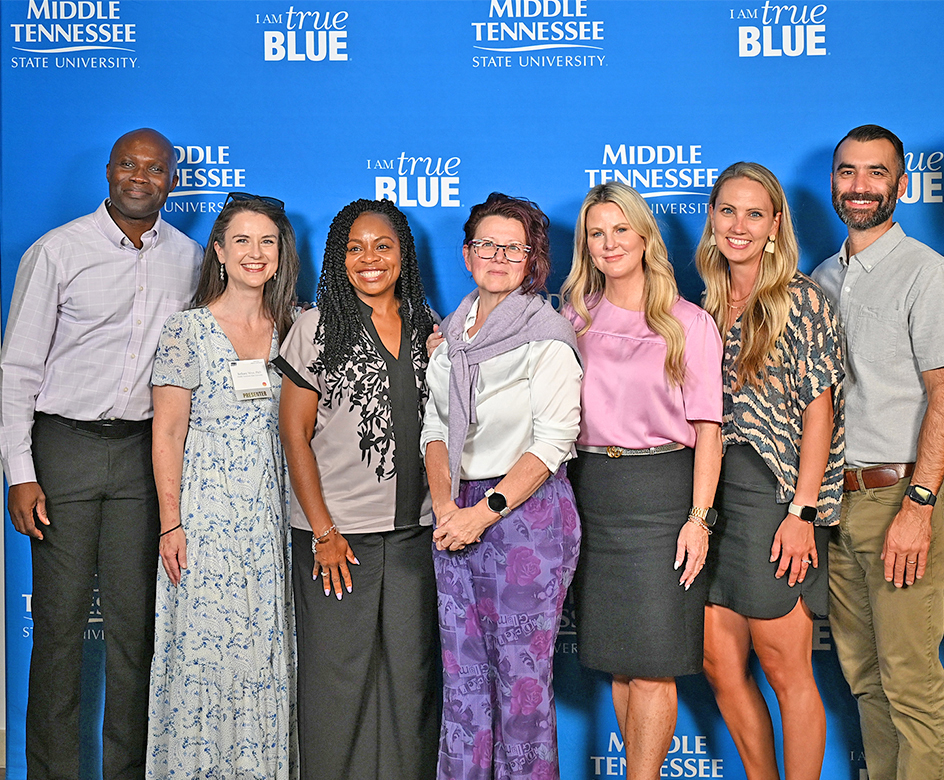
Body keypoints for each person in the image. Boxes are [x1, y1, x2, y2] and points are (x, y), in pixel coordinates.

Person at [0, 128, 202, 780]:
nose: (140, 177)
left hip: (142, 455)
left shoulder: (192, 259)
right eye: (127, 165)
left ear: (172, 179)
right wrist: (20, 473)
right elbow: (17, 370)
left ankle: (128, 772)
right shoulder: (58, 252)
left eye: (155, 168)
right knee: (57, 629)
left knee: (134, 632)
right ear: (110, 172)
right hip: (65, 447)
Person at [810, 125, 944, 780]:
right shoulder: (822, 277)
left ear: (901, 185)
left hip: (903, 497)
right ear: (833, 183)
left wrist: (921, 503)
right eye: (848, 172)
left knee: (909, 681)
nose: (859, 186)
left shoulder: (928, 276)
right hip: (839, 503)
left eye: (875, 173)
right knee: (865, 677)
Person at [561, 182, 723, 780]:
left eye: (620, 229)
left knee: (653, 662)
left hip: (662, 495)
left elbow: (709, 430)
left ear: (644, 235)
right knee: (621, 663)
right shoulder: (572, 317)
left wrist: (698, 519)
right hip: (591, 492)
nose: (609, 243)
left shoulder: (688, 322)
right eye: (596, 233)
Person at [275, 198, 438, 780]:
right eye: (355, 248)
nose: (370, 259)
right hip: (336, 539)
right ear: (338, 257)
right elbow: (293, 434)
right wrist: (323, 530)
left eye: (383, 246)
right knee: (335, 683)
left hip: (417, 535)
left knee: (411, 683)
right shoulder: (315, 327)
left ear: (403, 255)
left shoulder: (428, 326)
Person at [423, 192, 582, 780]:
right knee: (462, 681)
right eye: (486, 244)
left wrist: (480, 512)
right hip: (454, 509)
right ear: (467, 255)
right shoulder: (451, 333)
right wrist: (445, 504)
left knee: (520, 682)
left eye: (512, 247)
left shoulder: (548, 333)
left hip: (526, 518)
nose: (497, 256)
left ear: (531, 260)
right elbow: (434, 426)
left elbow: (552, 440)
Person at [145, 193, 300, 778]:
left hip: (272, 525)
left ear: (281, 252)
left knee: (261, 657)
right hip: (203, 522)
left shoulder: (297, 329)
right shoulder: (185, 331)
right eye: (242, 241)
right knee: (204, 656)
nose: (255, 253)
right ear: (219, 250)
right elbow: (167, 436)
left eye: (267, 241)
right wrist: (171, 523)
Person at [698, 162, 845, 780]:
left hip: (774, 500)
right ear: (712, 219)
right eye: (728, 210)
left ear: (776, 224)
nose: (739, 225)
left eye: (754, 213)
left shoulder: (801, 300)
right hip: (711, 499)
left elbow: (822, 415)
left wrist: (801, 513)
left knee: (787, 671)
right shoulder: (701, 303)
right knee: (718, 665)